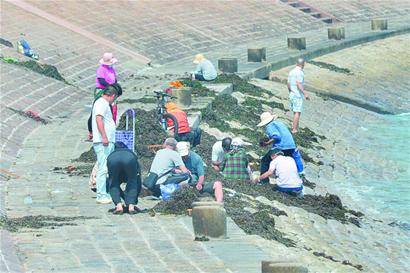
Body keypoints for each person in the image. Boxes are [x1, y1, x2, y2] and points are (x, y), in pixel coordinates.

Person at [92, 85, 118, 203]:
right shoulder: (102, 103)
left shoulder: (102, 103)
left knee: (104, 167)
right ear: (112, 95)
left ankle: (103, 193)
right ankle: (101, 195)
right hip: (103, 142)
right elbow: (99, 119)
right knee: (103, 168)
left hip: (106, 141)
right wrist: (104, 137)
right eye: (114, 98)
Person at [257, 112, 299, 184]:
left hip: (281, 147)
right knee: (287, 164)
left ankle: (264, 181)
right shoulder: (279, 123)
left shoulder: (269, 126)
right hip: (291, 146)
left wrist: (267, 143)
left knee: (265, 161)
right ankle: (290, 182)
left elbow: (277, 136)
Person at [87, 53, 121, 140]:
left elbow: (114, 79)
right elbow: (102, 81)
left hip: (112, 90)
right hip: (103, 90)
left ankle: (110, 127)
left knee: (112, 110)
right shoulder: (101, 69)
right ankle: (91, 131)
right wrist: (110, 87)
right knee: (99, 110)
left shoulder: (111, 69)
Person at [106, 142, 142, 214]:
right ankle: (131, 207)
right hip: (129, 158)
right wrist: (134, 199)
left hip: (112, 159)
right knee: (133, 181)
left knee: (113, 183)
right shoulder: (130, 152)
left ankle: (119, 206)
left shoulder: (112, 153)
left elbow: (110, 178)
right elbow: (138, 177)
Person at [287, 58, 310, 134]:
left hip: (292, 94)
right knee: (297, 112)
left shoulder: (291, 71)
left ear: (296, 63)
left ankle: (296, 127)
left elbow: (288, 84)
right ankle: (294, 129)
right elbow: (298, 84)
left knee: (295, 111)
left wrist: (290, 91)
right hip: (297, 95)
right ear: (303, 64)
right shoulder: (300, 72)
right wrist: (305, 93)